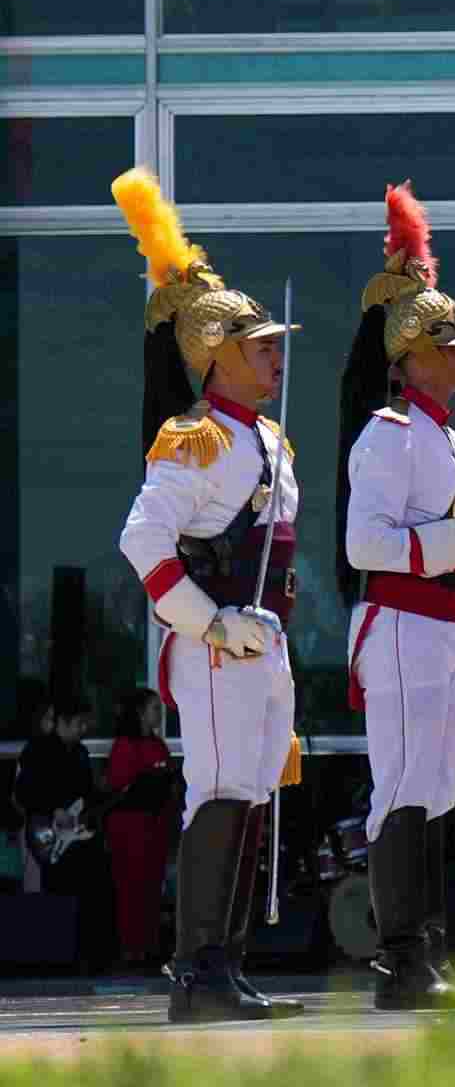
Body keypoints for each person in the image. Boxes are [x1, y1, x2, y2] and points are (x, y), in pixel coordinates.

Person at [110, 171, 305, 1023]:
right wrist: (211, 622)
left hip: (266, 640)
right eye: (260, 346)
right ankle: (197, 974)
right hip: (217, 644)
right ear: (217, 355)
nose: (275, 356)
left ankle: (230, 965)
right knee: (220, 790)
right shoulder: (194, 439)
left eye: (274, 345)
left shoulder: (270, 439)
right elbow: (142, 540)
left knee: (253, 792)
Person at [336, 182, 455, 1010]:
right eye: (453, 348)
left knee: (437, 790)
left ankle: (427, 949)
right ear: (412, 358)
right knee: (401, 787)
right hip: (401, 622)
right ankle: (399, 961)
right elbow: (365, 546)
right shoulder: (389, 434)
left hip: (448, 625)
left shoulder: (453, 442)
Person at [16, 701, 116, 975]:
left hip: (77, 834)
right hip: (49, 832)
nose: (84, 729)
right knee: (58, 890)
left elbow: (86, 795)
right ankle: (57, 957)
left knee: (89, 888)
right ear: (61, 722)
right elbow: (23, 793)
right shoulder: (37, 750)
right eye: (79, 723)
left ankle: (86, 955)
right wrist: (53, 809)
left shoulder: (81, 753)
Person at [100, 691, 180, 970]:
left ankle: (148, 947)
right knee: (130, 889)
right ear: (140, 712)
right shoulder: (125, 746)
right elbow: (118, 787)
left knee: (151, 890)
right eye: (154, 708)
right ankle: (130, 949)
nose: (160, 713)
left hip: (155, 829)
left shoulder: (158, 745)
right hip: (129, 829)